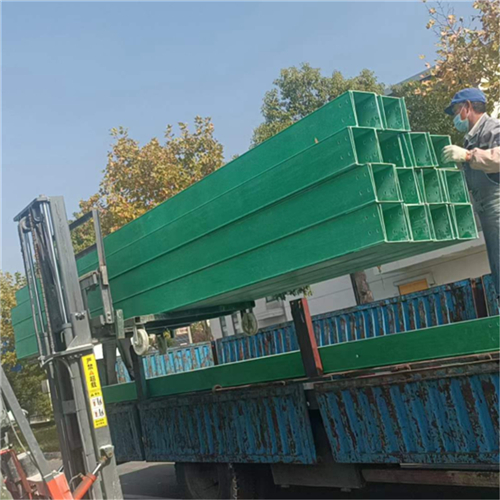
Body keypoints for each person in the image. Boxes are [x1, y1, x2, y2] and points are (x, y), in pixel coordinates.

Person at [442, 88, 500, 296]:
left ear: (467, 107)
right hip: (487, 212)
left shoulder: (493, 128)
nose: (455, 118)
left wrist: (468, 156)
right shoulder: (471, 139)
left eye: (456, 111)